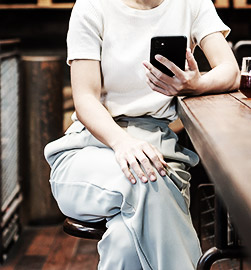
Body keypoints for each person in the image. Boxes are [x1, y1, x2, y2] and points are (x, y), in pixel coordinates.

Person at [43, 0, 240, 268]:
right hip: (88, 152)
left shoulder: (192, 3)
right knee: (146, 180)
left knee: (126, 240)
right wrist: (122, 142)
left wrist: (196, 84)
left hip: (158, 152)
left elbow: (231, 70)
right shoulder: (91, 6)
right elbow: (85, 99)